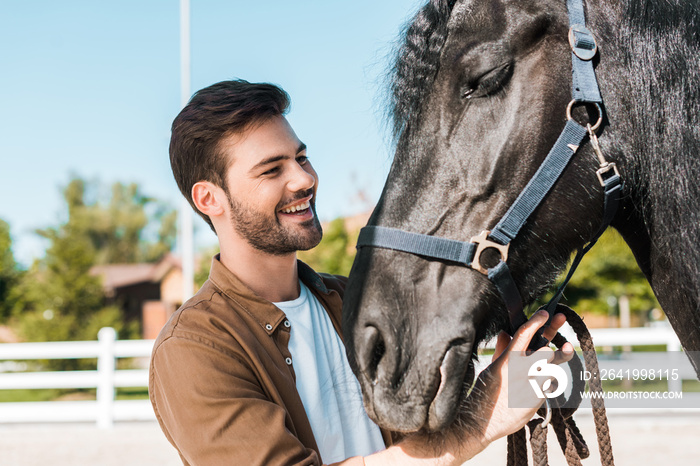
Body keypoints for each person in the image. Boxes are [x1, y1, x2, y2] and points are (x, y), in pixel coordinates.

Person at [149, 79, 574, 466]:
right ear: (209, 199)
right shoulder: (194, 349)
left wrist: (511, 373)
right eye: (271, 169)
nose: (303, 178)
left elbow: (422, 436)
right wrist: (482, 420)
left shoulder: (358, 299)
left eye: (301, 157)